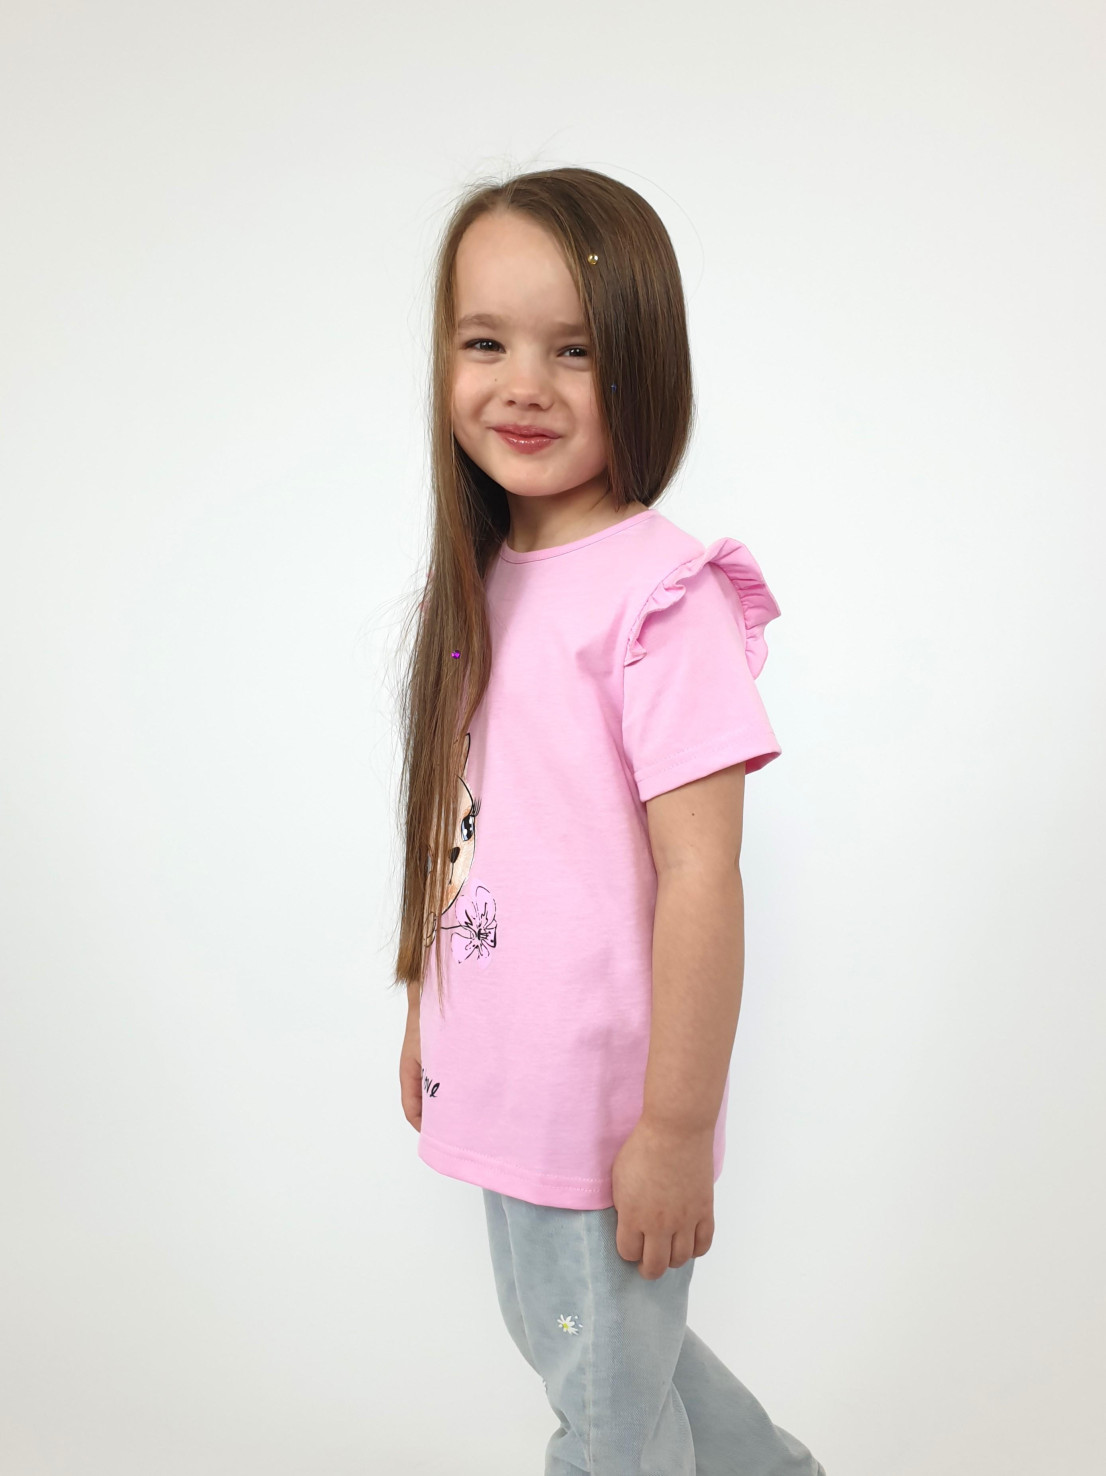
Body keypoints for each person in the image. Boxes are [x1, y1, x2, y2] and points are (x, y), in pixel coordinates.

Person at [392, 166, 826, 1476]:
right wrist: (424, 1009)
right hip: (505, 1079)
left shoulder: (661, 596)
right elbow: (462, 827)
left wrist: (676, 1128)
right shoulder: (479, 583)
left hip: (601, 1104)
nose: (524, 384)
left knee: (604, 1421)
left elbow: (702, 874)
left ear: (642, 361)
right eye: (486, 343)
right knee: (608, 1362)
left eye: (573, 350)